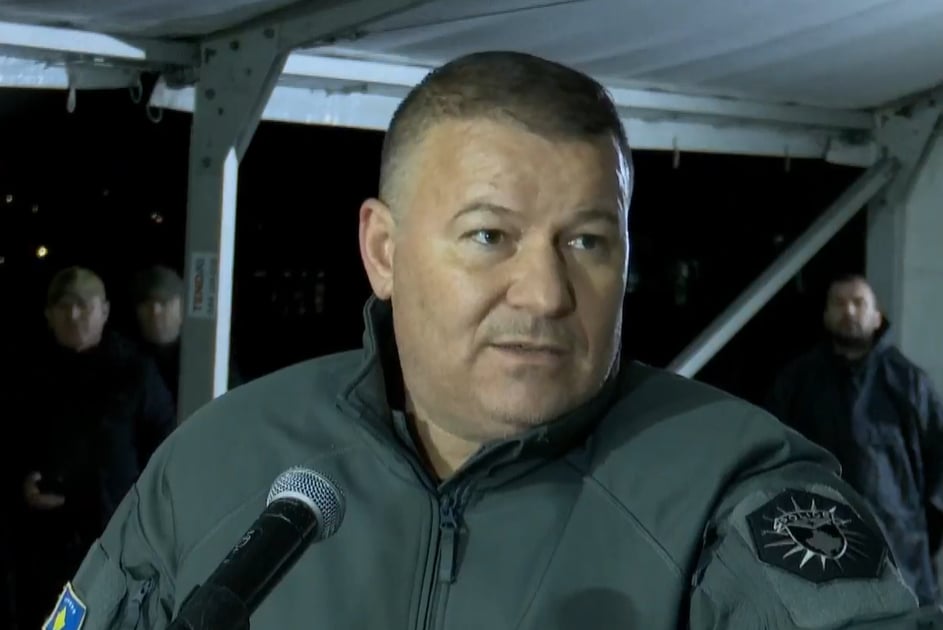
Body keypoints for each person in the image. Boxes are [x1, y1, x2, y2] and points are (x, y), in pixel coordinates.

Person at [54, 52, 941, 629]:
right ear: (383, 250)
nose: (547, 293)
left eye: (586, 243)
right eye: (490, 236)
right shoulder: (218, 461)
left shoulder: (731, 487)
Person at [11, 266, 176, 628]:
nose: (73, 315)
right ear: (48, 315)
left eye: (83, 305)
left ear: (104, 311)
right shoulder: (28, 374)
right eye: (63, 306)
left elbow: (165, 444)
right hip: (44, 545)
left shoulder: (134, 371)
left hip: (113, 540)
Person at [768, 273, 943, 606]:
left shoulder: (909, 383)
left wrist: (916, 534)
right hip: (818, 555)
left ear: (877, 317)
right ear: (825, 315)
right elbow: (774, 456)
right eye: (839, 303)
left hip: (902, 560)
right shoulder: (798, 381)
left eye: (859, 303)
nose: (848, 311)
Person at [131, 264, 242, 404]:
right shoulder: (126, 358)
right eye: (146, 303)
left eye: (164, 303)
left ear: (182, 307)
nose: (155, 312)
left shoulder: (206, 358)